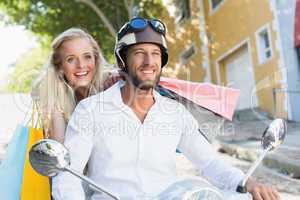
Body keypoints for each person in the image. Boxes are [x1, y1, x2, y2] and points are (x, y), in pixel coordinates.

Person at [52, 18, 280, 200]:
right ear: (122, 60)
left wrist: (248, 183)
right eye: (139, 53)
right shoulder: (90, 110)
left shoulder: (176, 113)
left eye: (155, 54)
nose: (149, 62)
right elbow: (68, 175)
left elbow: (210, 163)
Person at [32, 28, 118, 143]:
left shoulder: (113, 84)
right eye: (70, 59)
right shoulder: (56, 93)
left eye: (87, 56)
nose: (81, 65)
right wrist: (55, 99)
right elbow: (59, 146)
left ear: (95, 59)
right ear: (59, 66)